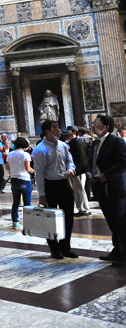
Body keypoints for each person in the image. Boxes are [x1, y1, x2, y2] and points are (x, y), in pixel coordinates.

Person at [33, 119, 77, 260]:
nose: (59, 130)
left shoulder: (63, 145)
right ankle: (54, 248)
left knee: (68, 216)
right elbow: (38, 173)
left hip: (64, 183)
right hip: (49, 184)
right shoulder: (40, 150)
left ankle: (66, 247)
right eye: (55, 128)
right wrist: (42, 194)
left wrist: (71, 168)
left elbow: (69, 160)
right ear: (48, 131)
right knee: (50, 218)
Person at [90, 114, 126, 266]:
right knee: (111, 220)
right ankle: (117, 249)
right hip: (99, 186)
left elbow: (123, 163)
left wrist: (106, 175)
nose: (94, 127)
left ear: (105, 127)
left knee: (121, 222)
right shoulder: (96, 143)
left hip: (114, 187)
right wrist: (88, 172)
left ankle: (124, 254)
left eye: (96, 125)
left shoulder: (116, 142)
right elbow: (91, 161)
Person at [5, 137, 34, 230]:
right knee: (27, 203)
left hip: (14, 179)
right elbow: (27, 168)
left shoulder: (10, 154)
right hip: (24, 179)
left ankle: (15, 221)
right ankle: (28, 223)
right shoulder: (25, 155)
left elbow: (7, 167)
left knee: (16, 202)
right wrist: (34, 170)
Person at [67, 127, 91, 217]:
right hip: (75, 170)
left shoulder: (78, 142)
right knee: (77, 190)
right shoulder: (73, 142)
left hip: (79, 171)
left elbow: (81, 158)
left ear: (74, 132)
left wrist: (77, 170)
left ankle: (85, 209)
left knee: (80, 190)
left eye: (69, 131)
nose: (67, 133)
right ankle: (80, 208)